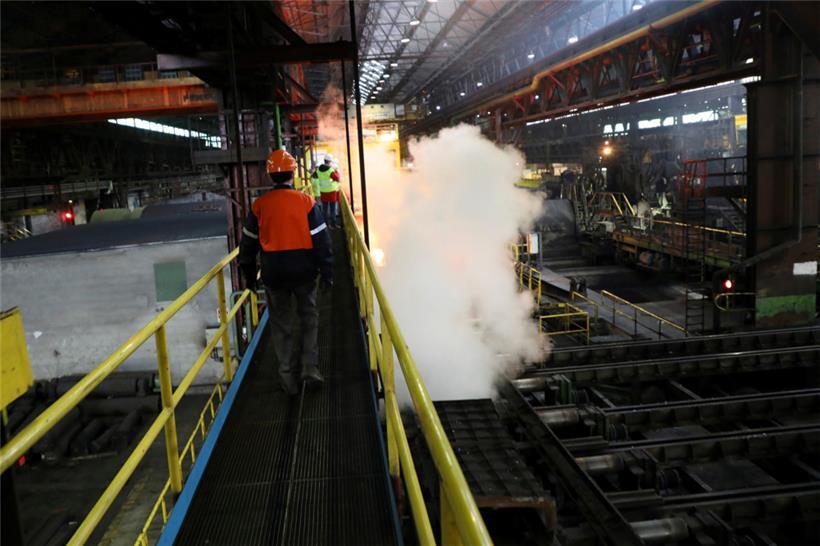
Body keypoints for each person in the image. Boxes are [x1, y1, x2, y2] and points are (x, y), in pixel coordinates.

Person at [238, 149, 333, 395]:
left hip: (273, 273)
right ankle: (309, 368)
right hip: (304, 270)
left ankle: (287, 378)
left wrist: (249, 277)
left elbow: (247, 244)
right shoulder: (306, 202)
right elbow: (322, 240)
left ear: (270, 176)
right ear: (293, 174)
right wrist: (328, 272)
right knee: (309, 318)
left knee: (281, 325)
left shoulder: (259, 206)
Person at [311, 155, 341, 228]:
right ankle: (334, 224)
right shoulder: (330, 170)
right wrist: (336, 171)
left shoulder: (318, 170)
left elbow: (313, 176)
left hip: (323, 193)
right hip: (331, 192)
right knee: (332, 210)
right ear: (330, 162)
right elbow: (337, 179)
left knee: (325, 210)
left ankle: (326, 225)